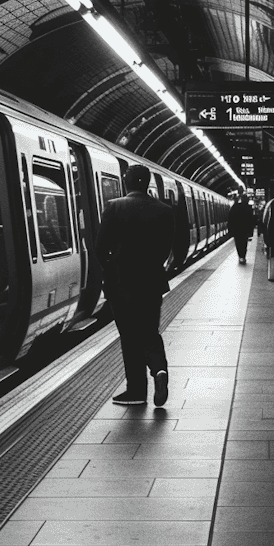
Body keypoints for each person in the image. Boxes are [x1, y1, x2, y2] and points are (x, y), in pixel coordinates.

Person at [95, 163, 175, 405]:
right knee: (149, 331)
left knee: (129, 336)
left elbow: (100, 247)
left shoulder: (114, 207)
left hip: (122, 283)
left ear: (126, 182)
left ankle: (137, 391)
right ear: (148, 182)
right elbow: (166, 248)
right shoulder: (164, 210)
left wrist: (112, 267)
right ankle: (159, 369)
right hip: (152, 281)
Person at [227, 192, 254, 263]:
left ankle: (240, 256)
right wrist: (251, 232)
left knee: (238, 243)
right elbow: (251, 221)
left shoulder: (235, 207)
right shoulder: (249, 208)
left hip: (237, 230)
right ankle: (243, 256)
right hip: (245, 230)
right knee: (244, 244)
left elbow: (230, 218)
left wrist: (230, 230)